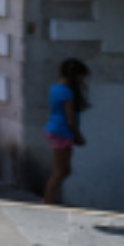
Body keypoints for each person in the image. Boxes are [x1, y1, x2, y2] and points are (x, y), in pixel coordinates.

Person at [44, 58, 90, 205]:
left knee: (64, 170)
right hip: (62, 132)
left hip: (55, 129)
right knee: (60, 170)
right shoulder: (67, 93)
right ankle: (47, 201)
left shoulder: (55, 88)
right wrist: (78, 135)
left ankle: (50, 200)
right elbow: (70, 119)